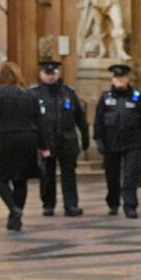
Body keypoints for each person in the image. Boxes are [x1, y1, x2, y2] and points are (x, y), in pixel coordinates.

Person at [0, 62, 42, 232]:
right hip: (28, 139)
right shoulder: (30, 95)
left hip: (5, 139)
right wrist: (43, 145)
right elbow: (39, 121)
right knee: (21, 179)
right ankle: (15, 219)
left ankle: (14, 208)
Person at [93, 64, 141, 218]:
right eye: (116, 77)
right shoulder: (105, 98)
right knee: (112, 176)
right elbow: (98, 121)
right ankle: (113, 203)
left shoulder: (136, 97)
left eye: (122, 77)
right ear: (112, 79)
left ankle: (130, 205)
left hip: (133, 142)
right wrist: (98, 140)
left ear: (127, 78)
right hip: (111, 143)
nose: (120, 80)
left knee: (130, 175)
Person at [30, 60, 89, 217]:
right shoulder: (34, 94)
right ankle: (48, 205)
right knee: (47, 175)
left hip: (67, 139)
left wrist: (85, 137)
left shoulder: (68, 93)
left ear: (58, 74)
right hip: (45, 140)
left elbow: (80, 118)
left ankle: (71, 205)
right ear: (41, 74)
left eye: (53, 73)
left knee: (69, 174)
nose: (50, 77)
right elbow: (30, 120)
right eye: (47, 74)